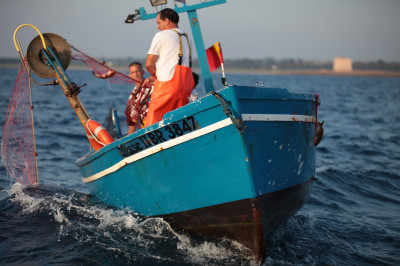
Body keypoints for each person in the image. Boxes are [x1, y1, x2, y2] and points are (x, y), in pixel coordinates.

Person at [143, 8, 195, 126]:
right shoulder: (187, 37)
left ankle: (150, 143)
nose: (157, 27)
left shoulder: (162, 35)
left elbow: (149, 64)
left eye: (158, 23)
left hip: (166, 87)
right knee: (178, 122)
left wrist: (155, 77)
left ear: (166, 20)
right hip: (186, 87)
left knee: (153, 122)